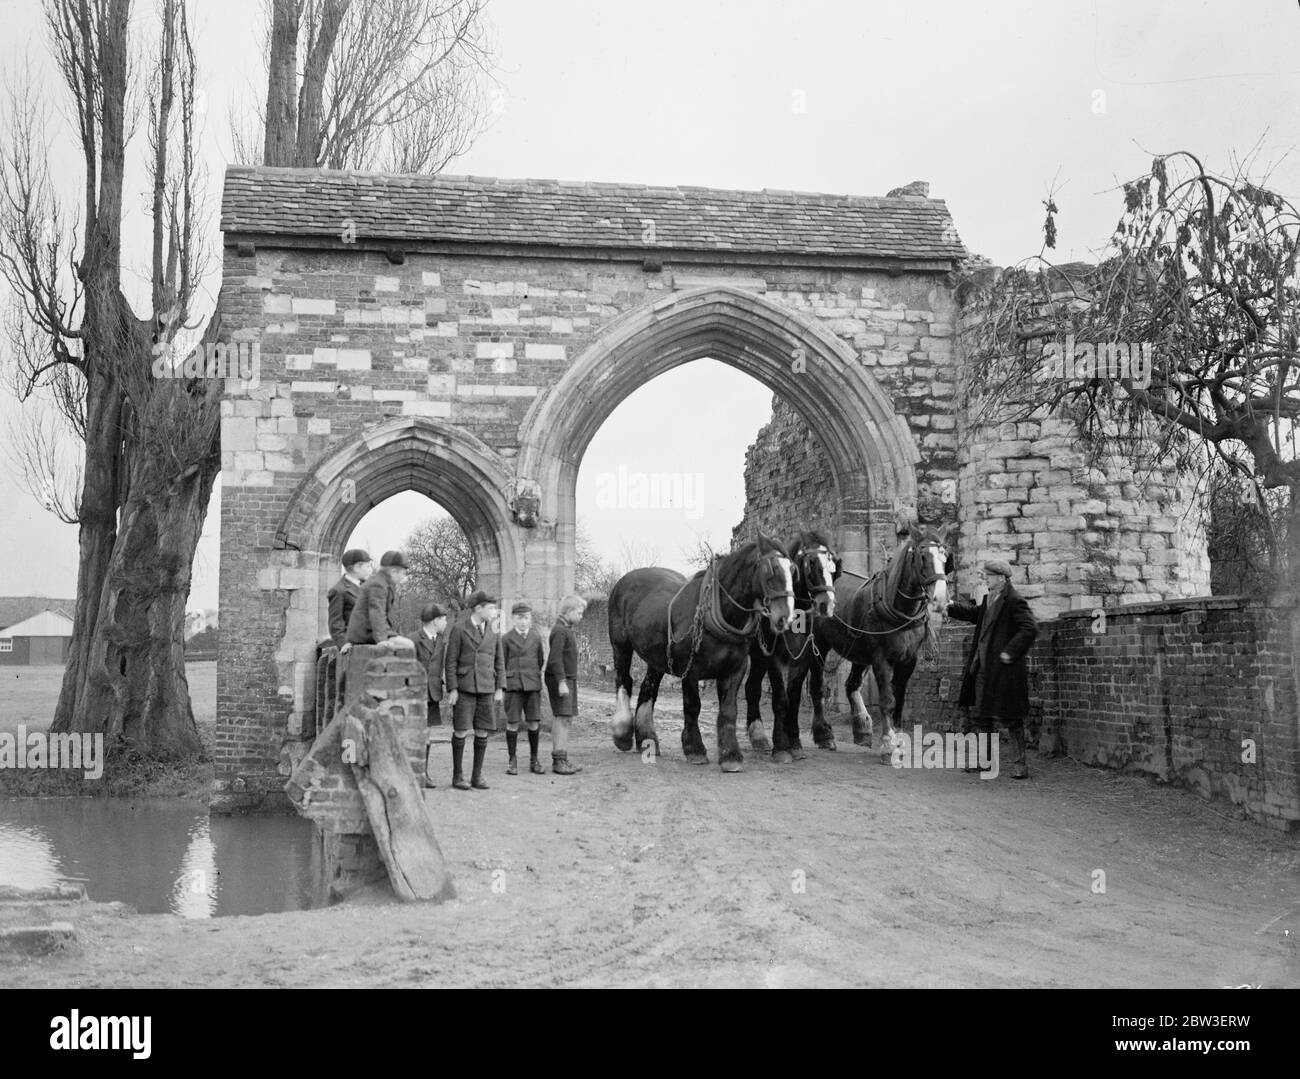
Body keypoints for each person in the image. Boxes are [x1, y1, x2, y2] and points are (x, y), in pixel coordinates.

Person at [946, 559, 1038, 779]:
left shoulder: (1014, 600)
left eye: (988, 576)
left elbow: (1030, 628)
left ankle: (1019, 765)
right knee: (981, 716)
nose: (985, 579)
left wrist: (1010, 652)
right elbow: (972, 614)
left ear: (1001, 578)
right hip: (982, 668)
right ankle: (986, 762)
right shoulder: (989, 599)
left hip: (1004, 670)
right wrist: (947, 606)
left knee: (1012, 718)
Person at [444, 591, 505, 791]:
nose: (494, 611)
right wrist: (452, 688)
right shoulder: (459, 629)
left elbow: (500, 661)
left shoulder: (494, 631)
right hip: (465, 687)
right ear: (478, 608)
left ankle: (477, 776)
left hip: (486, 687)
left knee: (482, 730)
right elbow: (450, 661)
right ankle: (458, 776)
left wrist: (499, 687)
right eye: (491, 608)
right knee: (461, 729)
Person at [501, 602, 546, 776]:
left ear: (530, 619)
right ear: (513, 619)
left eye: (526, 618)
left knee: (534, 722)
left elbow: (540, 660)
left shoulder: (535, 638)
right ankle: (512, 761)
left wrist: (532, 675)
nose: (522, 622)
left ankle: (534, 760)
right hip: (513, 686)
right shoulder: (506, 639)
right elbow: (502, 663)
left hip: (532, 686)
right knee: (512, 722)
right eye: (519, 618)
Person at [545, 594, 587, 775]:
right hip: (561, 680)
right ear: (569, 612)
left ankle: (562, 758)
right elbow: (554, 660)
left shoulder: (565, 628)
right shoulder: (560, 631)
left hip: (567, 679)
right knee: (561, 718)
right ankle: (558, 761)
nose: (581, 616)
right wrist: (562, 682)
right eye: (578, 613)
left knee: (566, 718)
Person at [414, 602, 449, 788]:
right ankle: (414, 772)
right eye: (444, 619)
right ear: (435, 621)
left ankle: (423, 772)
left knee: (427, 734)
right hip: (417, 694)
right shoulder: (413, 639)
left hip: (432, 693)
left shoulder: (441, 641)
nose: (446, 622)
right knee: (414, 733)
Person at [345, 550, 409, 647]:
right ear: (393, 572)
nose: (403, 578)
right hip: (365, 634)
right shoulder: (378, 585)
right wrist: (381, 640)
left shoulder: (382, 582)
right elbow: (376, 612)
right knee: (408, 645)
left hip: (368, 632)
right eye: (403, 574)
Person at [327, 549, 372, 651]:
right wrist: (343, 644)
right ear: (357, 568)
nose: (371, 570)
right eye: (368, 566)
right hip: (354, 646)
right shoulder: (339, 590)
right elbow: (335, 623)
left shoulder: (365, 587)